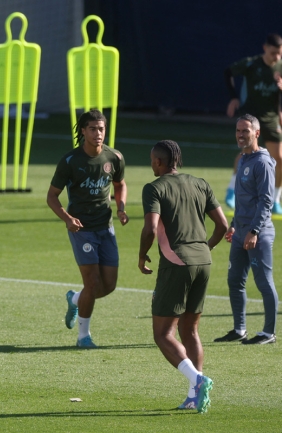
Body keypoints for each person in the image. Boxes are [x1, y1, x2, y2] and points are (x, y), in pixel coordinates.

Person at [138, 140, 228, 413]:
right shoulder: (200, 183)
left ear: (158, 162)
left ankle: (197, 380)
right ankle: (193, 397)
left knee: (163, 334)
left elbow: (151, 228)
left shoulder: (154, 188)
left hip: (176, 263)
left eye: (152, 160)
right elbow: (223, 225)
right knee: (190, 330)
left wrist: (142, 255)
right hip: (203, 261)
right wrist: (205, 248)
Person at [47, 109, 129, 348]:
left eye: (101, 129)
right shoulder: (70, 161)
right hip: (81, 229)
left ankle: (75, 298)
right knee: (92, 283)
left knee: (109, 285)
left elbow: (120, 184)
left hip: (106, 227)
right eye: (92, 129)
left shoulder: (114, 157)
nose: (97, 134)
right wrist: (67, 218)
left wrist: (121, 208)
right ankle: (83, 336)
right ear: (83, 131)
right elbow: (52, 196)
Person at [215, 114, 278, 345]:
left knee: (263, 282)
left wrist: (254, 231)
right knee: (234, 281)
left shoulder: (262, 162)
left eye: (246, 131)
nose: (240, 135)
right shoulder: (243, 158)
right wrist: (234, 224)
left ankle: (269, 333)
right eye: (238, 130)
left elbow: (266, 201)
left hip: (257, 234)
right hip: (241, 232)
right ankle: (239, 329)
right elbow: (243, 200)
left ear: (257, 133)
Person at [224, 33, 282, 214]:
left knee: (279, 158)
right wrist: (234, 97)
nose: (276, 57)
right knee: (247, 153)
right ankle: (232, 190)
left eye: (279, 53)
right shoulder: (251, 64)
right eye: (273, 53)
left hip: (271, 117)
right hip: (251, 116)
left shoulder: (280, 66)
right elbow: (228, 72)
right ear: (265, 48)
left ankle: (275, 200)